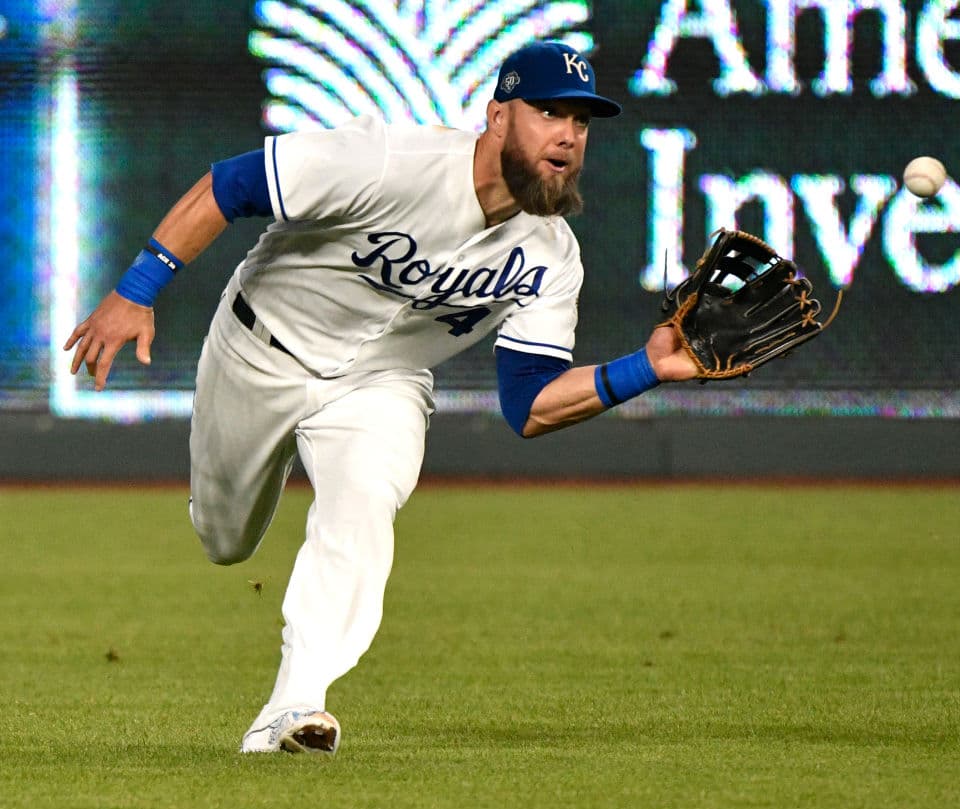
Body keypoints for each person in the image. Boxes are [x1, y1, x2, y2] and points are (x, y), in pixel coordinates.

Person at [64, 41, 699, 755]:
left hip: (379, 385)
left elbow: (529, 405)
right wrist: (134, 293)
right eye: (548, 111)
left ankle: (294, 705)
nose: (567, 135)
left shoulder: (552, 258)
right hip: (259, 348)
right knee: (225, 540)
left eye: (581, 122)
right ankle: (229, 510)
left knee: (366, 499)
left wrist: (642, 369)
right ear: (496, 116)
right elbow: (230, 186)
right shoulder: (389, 161)